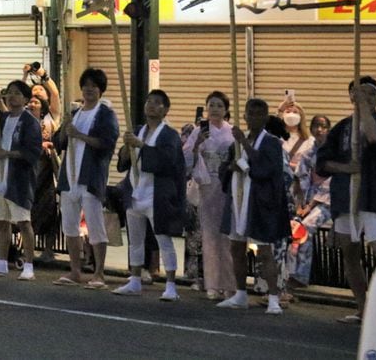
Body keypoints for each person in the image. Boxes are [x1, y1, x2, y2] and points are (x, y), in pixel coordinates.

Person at [316, 76, 376, 324]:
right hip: (344, 197)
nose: (366, 98)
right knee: (350, 252)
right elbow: (322, 163)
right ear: (350, 96)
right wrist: (345, 167)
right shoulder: (340, 128)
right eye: (360, 93)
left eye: (371, 94)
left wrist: (364, 109)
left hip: (373, 196)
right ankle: (363, 307)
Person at [111, 89, 185, 301]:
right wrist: (128, 145)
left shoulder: (169, 135)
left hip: (156, 193)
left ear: (166, 109)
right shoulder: (138, 130)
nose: (151, 105)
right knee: (135, 240)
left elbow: (167, 162)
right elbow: (124, 162)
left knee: (163, 239)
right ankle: (134, 279)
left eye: (157, 103)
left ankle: (171, 284)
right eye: (149, 101)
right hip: (136, 190)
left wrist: (141, 146)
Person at [217, 98, 289, 314]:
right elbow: (226, 169)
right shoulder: (235, 144)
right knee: (236, 247)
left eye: (259, 114)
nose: (254, 118)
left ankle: (274, 297)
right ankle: (240, 292)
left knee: (265, 251)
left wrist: (245, 148)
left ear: (266, 117)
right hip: (238, 199)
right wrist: (231, 168)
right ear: (245, 115)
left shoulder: (272, 143)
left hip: (259, 202)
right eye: (250, 113)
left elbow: (267, 170)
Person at [53, 68, 119, 289]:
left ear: (100, 90)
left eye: (93, 86)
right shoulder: (76, 113)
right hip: (69, 178)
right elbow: (59, 142)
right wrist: (66, 129)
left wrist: (79, 135)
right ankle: (75, 271)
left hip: (90, 177)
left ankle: (99, 273)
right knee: (70, 226)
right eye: (86, 86)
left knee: (95, 224)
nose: (89, 90)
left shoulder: (105, 114)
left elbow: (107, 142)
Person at [0, 80, 42, 280]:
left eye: (17, 93)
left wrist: (8, 154)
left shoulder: (30, 121)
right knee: (2, 222)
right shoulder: (3, 118)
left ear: (25, 98)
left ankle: (29, 264)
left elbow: (32, 152)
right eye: (9, 93)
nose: (12, 96)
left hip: (18, 179)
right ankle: (1, 262)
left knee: (23, 221)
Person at [182, 91, 237, 300]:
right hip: (207, 183)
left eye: (219, 106)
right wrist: (197, 146)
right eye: (211, 105)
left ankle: (230, 284)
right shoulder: (198, 131)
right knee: (210, 236)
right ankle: (213, 284)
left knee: (228, 237)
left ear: (226, 110)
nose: (214, 109)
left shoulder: (232, 132)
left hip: (226, 184)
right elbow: (187, 156)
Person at [288, 114, 333, 288]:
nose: (319, 129)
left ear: (329, 129)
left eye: (323, 126)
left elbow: (330, 182)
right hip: (308, 200)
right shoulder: (308, 154)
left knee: (306, 227)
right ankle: (290, 272)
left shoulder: (333, 153)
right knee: (293, 228)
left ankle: (301, 275)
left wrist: (310, 205)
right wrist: (300, 204)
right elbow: (299, 179)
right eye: (315, 126)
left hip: (328, 200)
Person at [27, 92, 60, 265]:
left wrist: (49, 146)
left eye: (36, 102)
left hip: (46, 172)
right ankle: (29, 249)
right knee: (29, 213)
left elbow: (58, 141)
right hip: (29, 172)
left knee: (49, 211)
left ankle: (48, 249)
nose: (32, 104)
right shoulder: (23, 122)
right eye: (30, 101)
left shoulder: (49, 122)